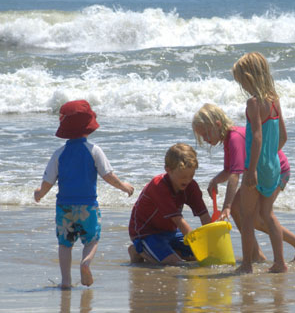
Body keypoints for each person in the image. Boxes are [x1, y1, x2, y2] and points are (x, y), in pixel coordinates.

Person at [192, 103, 295, 264]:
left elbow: (235, 176)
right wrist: (215, 180)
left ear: (217, 125)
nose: (206, 140)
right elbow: (229, 170)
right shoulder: (229, 138)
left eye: (206, 134)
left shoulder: (235, 138)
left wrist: (226, 206)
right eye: (202, 137)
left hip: (276, 171)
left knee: (259, 216)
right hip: (257, 173)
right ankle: (256, 254)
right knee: (240, 210)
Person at [34, 100, 134, 289]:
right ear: (88, 126)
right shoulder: (94, 150)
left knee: (65, 244)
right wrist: (124, 187)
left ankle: (66, 281)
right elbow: (108, 176)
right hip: (88, 206)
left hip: (64, 207)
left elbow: (48, 182)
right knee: (92, 239)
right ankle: (86, 262)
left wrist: (39, 193)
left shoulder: (59, 153)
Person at [230, 51, 291, 273]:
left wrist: (252, 168)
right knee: (267, 214)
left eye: (242, 81)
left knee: (247, 218)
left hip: (255, 167)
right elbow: (283, 136)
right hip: (273, 165)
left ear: (249, 77)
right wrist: (268, 157)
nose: (242, 86)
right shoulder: (275, 100)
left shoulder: (253, 103)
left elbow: (256, 136)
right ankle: (280, 262)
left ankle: (246, 265)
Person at [128, 143, 211, 265]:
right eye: (183, 176)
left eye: (191, 176)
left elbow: (204, 216)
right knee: (175, 265)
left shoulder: (191, 186)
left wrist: (211, 246)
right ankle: (137, 249)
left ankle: (171, 250)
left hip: (170, 231)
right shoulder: (158, 186)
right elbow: (179, 221)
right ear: (168, 170)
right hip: (146, 232)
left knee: (202, 256)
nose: (188, 180)